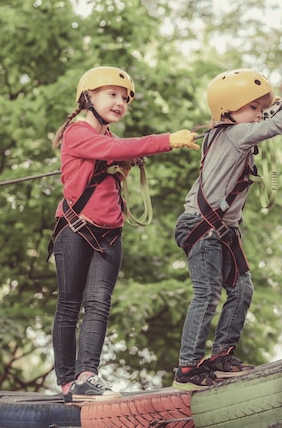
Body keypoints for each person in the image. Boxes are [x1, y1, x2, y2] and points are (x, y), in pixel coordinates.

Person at [172, 68, 282, 390]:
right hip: (202, 227)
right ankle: (187, 369)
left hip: (223, 229)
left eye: (261, 109)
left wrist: (276, 110)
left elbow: (269, 121)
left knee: (242, 288)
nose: (258, 115)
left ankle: (220, 358)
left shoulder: (236, 133)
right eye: (252, 108)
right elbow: (274, 127)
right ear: (227, 110)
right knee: (207, 295)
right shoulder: (232, 134)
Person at [49, 66, 199, 403]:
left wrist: (122, 166)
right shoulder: (78, 133)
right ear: (88, 97)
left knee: (99, 302)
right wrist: (168, 141)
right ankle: (66, 382)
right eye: (112, 94)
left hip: (109, 233)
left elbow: (118, 152)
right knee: (70, 304)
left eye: (124, 98)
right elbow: (119, 150)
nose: (120, 102)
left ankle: (87, 376)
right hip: (75, 229)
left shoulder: (108, 139)